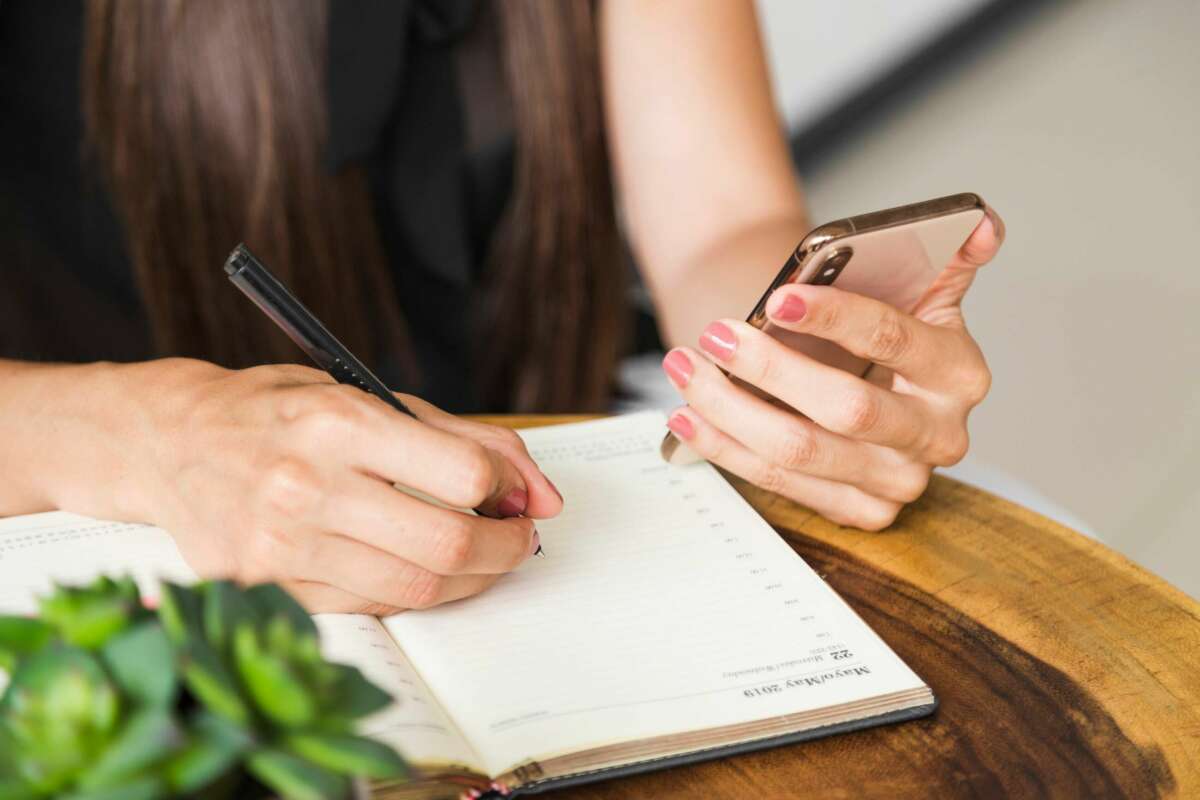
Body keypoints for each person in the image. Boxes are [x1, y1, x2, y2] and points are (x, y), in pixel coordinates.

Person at [0, 0, 1003, 615]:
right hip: (88, 532)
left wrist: (811, 360)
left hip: (537, 516)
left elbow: (717, 222)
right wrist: (152, 434)